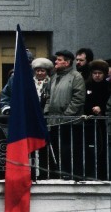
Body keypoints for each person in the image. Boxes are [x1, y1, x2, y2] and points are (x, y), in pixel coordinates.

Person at [44, 50, 86, 179]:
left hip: (70, 123)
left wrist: (66, 116)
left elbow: (78, 99)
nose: (55, 62)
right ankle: (57, 175)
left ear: (67, 62)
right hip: (54, 121)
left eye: (59, 59)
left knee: (69, 151)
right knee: (55, 150)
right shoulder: (54, 77)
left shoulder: (76, 77)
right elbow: (48, 97)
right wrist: (46, 112)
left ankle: (71, 176)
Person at [83, 59, 110, 180]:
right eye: (95, 73)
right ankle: (89, 174)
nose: (97, 76)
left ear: (104, 74)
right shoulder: (86, 85)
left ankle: (103, 175)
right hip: (88, 122)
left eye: (100, 73)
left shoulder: (108, 86)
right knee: (89, 149)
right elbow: (82, 101)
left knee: (102, 149)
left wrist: (101, 109)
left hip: (103, 123)